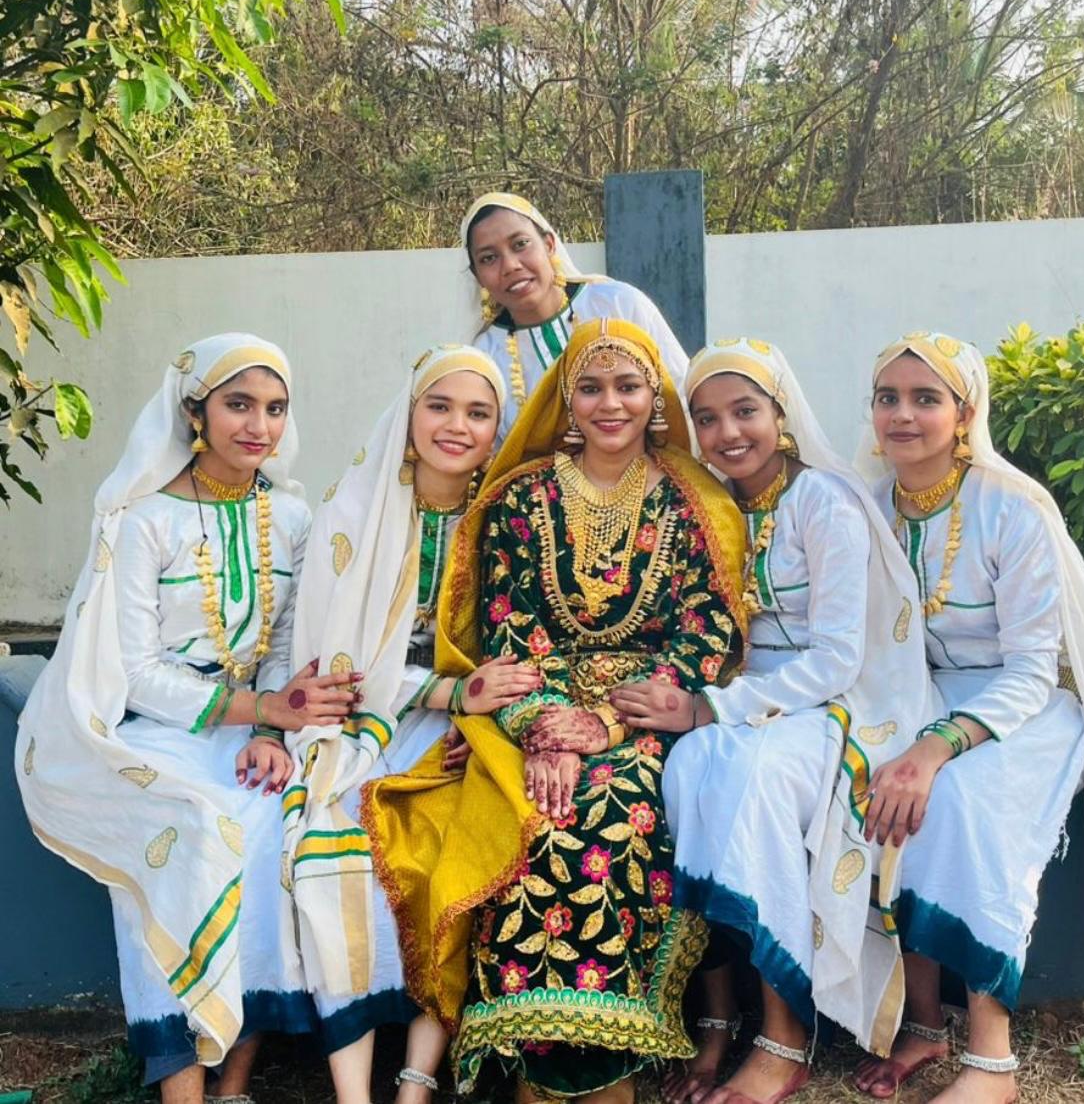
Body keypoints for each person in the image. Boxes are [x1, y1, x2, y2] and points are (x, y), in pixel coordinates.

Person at [363, 318, 748, 1102]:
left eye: (628, 386)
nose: (611, 404)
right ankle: (536, 1066)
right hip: (532, 710)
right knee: (532, 812)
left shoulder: (694, 502)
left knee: (615, 810)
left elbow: (706, 632)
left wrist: (607, 724)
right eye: (592, 387)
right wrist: (544, 730)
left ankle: (607, 1065)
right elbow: (506, 634)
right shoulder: (520, 497)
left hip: (646, 711)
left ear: (655, 398)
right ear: (566, 400)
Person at [15, 334, 355, 1104]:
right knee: (190, 835)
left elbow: (286, 646)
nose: (259, 426)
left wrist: (269, 731)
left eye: (275, 408)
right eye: (238, 404)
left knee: (278, 827)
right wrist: (261, 708)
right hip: (160, 734)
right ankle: (183, 1087)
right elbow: (136, 672)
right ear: (195, 412)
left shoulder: (291, 516)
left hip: (252, 733)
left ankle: (234, 1081)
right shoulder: (144, 519)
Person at [854, 332, 1084, 1104]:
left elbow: (1031, 668)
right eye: (888, 398)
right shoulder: (864, 506)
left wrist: (937, 747)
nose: (903, 415)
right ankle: (922, 1024)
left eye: (926, 398)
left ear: (965, 414)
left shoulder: (1012, 507)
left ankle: (992, 1058)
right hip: (915, 697)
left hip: (1022, 706)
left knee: (959, 799)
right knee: (872, 784)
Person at [648, 339, 932, 1104]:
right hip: (743, 701)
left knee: (755, 776)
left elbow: (837, 658)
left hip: (834, 706)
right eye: (707, 419)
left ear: (781, 413)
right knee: (685, 768)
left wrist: (712, 707)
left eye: (745, 411)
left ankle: (786, 1032)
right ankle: (714, 1018)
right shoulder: (712, 505)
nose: (727, 433)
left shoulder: (823, 502)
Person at [285, 345, 542, 1104]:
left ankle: (417, 1078)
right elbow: (338, 661)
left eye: (478, 412)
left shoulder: (507, 521)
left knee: (463, 837)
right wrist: (451, 694)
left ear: (496, 431)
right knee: (333, 849)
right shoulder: (352, 511)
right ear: (408, 415)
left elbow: (523, 645)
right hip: (359, 721)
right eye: (439, 406)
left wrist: (481, 715)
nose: (456, 425)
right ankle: (352, 1090)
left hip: (467, 729)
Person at [461, 191, 689, 434]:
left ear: (549, 245)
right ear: (478, 276)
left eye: (520, 244)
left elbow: (682, 393)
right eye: (489, 258)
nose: (510, 265)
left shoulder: (618, 304)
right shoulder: (485, 355)